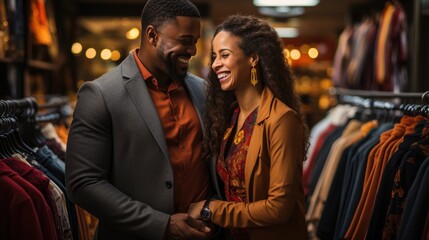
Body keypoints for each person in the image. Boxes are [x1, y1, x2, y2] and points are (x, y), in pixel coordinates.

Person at [65, 0, 214, 239]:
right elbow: (83, 183)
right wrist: (162, 225)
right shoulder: (101, 94)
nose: (193, 50)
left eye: (195, 42)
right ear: (152, 35)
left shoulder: (203, 91)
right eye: (185, 41)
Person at [188, 14, 309, 240]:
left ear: (253, 58)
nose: (215, 64)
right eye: (214, 56)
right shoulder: (229, 116)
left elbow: (278, 208)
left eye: (225, 55)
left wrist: (212, 210)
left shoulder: (282, 120)